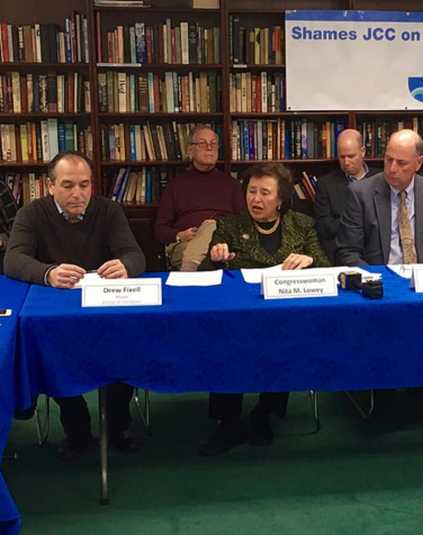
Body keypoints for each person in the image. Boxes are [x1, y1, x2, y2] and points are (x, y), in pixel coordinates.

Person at [3, 152, 146, 459]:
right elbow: (13, 260)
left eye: (84, 185)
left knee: (129, 346)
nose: (78, 194)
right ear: (50, 185)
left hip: (105, 308)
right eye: (68, 185)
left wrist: (125, 266)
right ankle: (77, 428)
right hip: (55, 312)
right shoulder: (32, 213)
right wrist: (47, 272)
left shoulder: (108, 210)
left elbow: (135, 255)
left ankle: (118, 424)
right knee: (48, 356)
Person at [197, 162, 330, 456]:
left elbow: (327, 267)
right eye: (251, 191)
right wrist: (215, 258)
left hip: (284, 316)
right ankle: (228, 422)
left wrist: (310, 261)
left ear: (281, 199)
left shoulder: (302, 225)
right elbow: (205, 273)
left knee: (283, 341)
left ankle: (264, 413)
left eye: (265, 193)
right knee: (226, 343)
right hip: (239, 317)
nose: (255, 199)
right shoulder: (229, 226)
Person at [335, 129, 423, 423]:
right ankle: (381, 389)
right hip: (377, 287)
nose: (392, 168)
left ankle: (422, 386)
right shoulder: (361, 193)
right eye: (388, 159)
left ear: (419, 162)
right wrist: (383, 284)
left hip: (422, 287)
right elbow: (347, 253)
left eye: (402, 163)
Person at [154, 125, 245, 271]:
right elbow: (160, 229)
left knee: (211, 226)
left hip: (222, 242)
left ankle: (188, 276)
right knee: (209, 241)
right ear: (190, 150)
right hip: (186, 243)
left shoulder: (231, 184)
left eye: (213, 143)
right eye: (202, 143)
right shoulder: (176, 185)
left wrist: (218, 229)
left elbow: (243, 222)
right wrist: (179, 235)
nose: (209, 147)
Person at [314, 128, 379, 263]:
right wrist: (359, 220)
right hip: (342, 252)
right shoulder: (326, 184)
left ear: (362, 152)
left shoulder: (381, 179)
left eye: (351, 156)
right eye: (342, 157)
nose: (346, 162)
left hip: (378, 251)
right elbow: (324, 227)